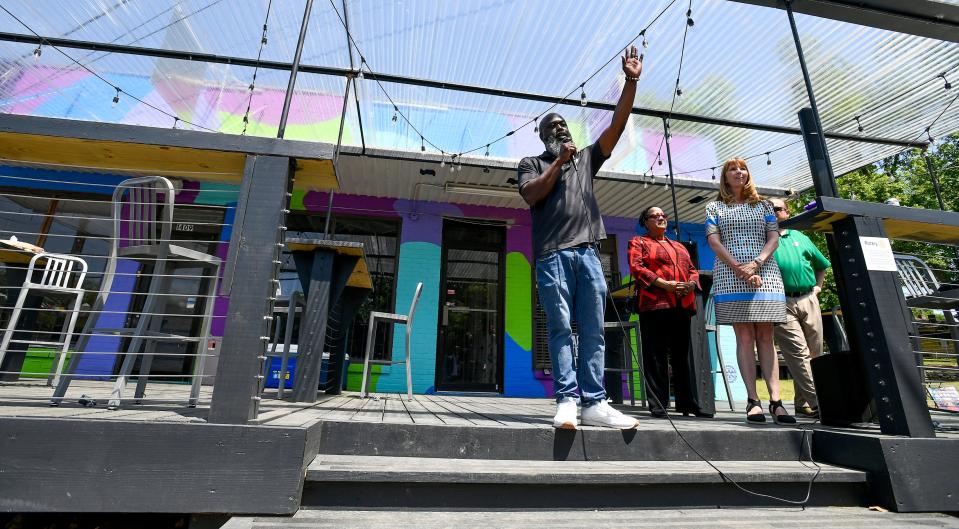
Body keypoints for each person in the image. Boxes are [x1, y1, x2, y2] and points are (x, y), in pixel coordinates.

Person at [517, 45, 644, 430]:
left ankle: (594, 402)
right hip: (553, 255)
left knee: (593, 330)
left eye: (564, 125)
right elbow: (531, 194)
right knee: (559, 327)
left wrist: (631, 82)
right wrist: (557, 161)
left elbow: (617, 127)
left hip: (589, 255)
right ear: (543, 138)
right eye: (552, 127)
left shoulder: (587, 159)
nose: (561, 129)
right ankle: (567, 400)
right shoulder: (532, 164)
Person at [705, 158, 795, 424]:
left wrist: (756, 264)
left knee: (766, 337)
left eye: (742, 168)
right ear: (725, 176)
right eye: (733, 169)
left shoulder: (765, 205)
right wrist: (739, 268)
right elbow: (713, 240)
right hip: (730, 274)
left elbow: (774, 237)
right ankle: (753, 401)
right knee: (744, 336)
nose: (738, 172)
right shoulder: (715, 206)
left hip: (765, 272)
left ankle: (776, 402)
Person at [628, 206, 711, 419]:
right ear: (645, 221)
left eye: (663, 215)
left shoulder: (678, 246)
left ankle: (688, 403)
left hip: (682, 305)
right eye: (654, 216)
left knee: (682, 356)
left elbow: (692, 270)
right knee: (655, 356)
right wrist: (666, 285)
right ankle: (659, 404)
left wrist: (691, 285)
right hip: (655, 305)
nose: (660, 218)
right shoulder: (639, 242)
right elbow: (637, 268)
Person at [769, 197, 830, 418]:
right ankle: (821, 402)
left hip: (808, 298)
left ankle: (801, 402)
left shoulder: (801, 237)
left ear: (786, 212)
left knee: (815, 354)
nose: (773, 212)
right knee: (798, 354)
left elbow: (821, 265)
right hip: (779, 301)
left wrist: (818, 289)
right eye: (768, 209)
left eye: (776, 209)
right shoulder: (763, 239)